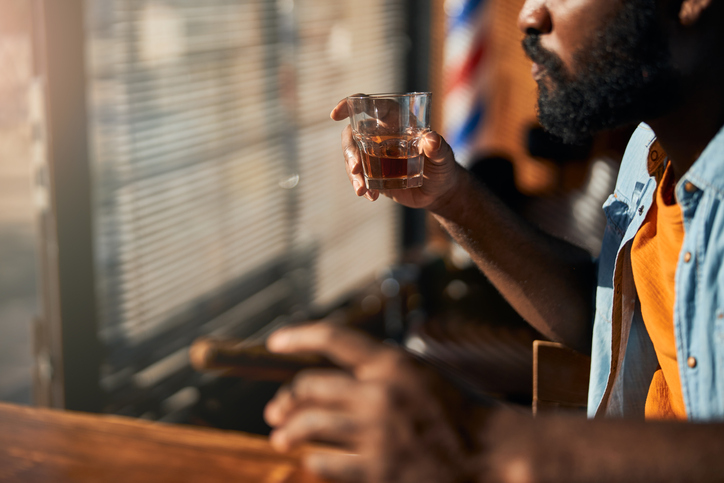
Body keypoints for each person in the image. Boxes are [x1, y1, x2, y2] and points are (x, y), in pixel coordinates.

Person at [264, 0, 724, 481]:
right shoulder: (648, 153)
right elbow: (607, 320)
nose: (528, 16)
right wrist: (454, 198)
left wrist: (482, 441)